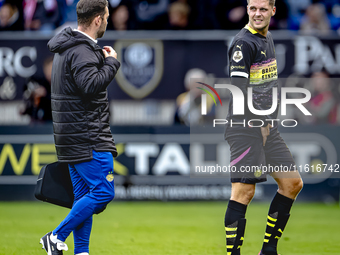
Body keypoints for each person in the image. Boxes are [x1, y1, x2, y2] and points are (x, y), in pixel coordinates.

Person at [39, 0, 120, 254]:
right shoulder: (83, 50)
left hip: (71, 137)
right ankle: (55, 236)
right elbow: (90, 85)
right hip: (88, 136)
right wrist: (112, 63)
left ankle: (81, 252)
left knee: (83, 197)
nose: (108, 21)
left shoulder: (65, 48)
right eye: (106, 16)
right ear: (98, 19)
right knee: (104, 191)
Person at [224, 1, 303, 255]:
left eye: (262, 9)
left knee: (292, 183)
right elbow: (238, 92)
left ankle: (268, 251)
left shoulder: (266, 38)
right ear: (247, 10)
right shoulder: (243, 43)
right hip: (245, 127)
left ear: (273, 11)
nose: (257, 14)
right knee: (243, 191)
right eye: (253, 9)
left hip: (267, 126)